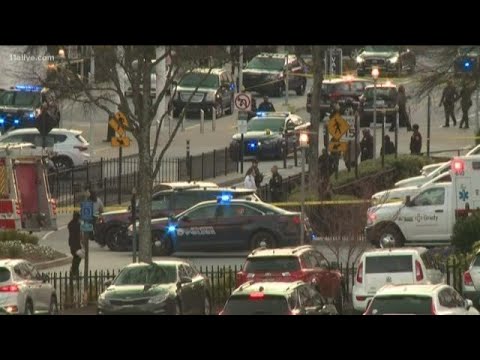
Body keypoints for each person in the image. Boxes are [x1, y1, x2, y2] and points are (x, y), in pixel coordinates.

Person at [68, 211, 82, 277]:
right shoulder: (77, 224)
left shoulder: (70, 224)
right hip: (76, 244)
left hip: (72, 244)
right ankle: (74, 272)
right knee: (77, 258)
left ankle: (74, 272)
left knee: (76, 258)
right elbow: (78, 235)